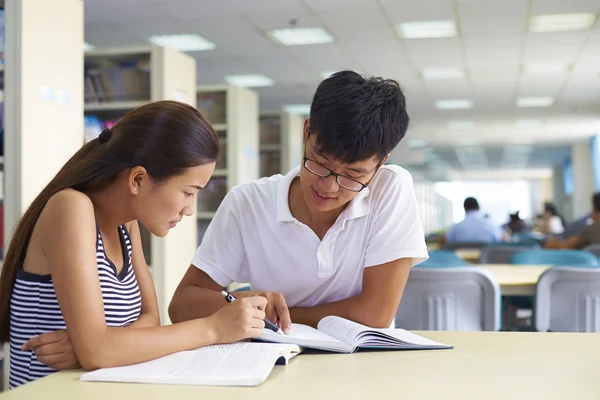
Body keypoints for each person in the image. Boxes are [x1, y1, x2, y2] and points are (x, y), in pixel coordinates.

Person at [0, 101, 267, 389]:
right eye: (188, 192)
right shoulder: (71, 208)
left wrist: (96, 344)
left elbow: (151, 319)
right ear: (138, 179)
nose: (190, 209)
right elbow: (98, 351)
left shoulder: (125, 225)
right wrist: (213, 328)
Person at [169, 71, 428, 332]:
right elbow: (181, 305)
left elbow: (376, 315)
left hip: (360, 363)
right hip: (271, 361)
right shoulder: (247, 202)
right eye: (319, 162)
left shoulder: (389, 188)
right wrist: (236, 302)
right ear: (306, 133)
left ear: (381, 163)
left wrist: (275, 316)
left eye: (352, 175)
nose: (328, 187)